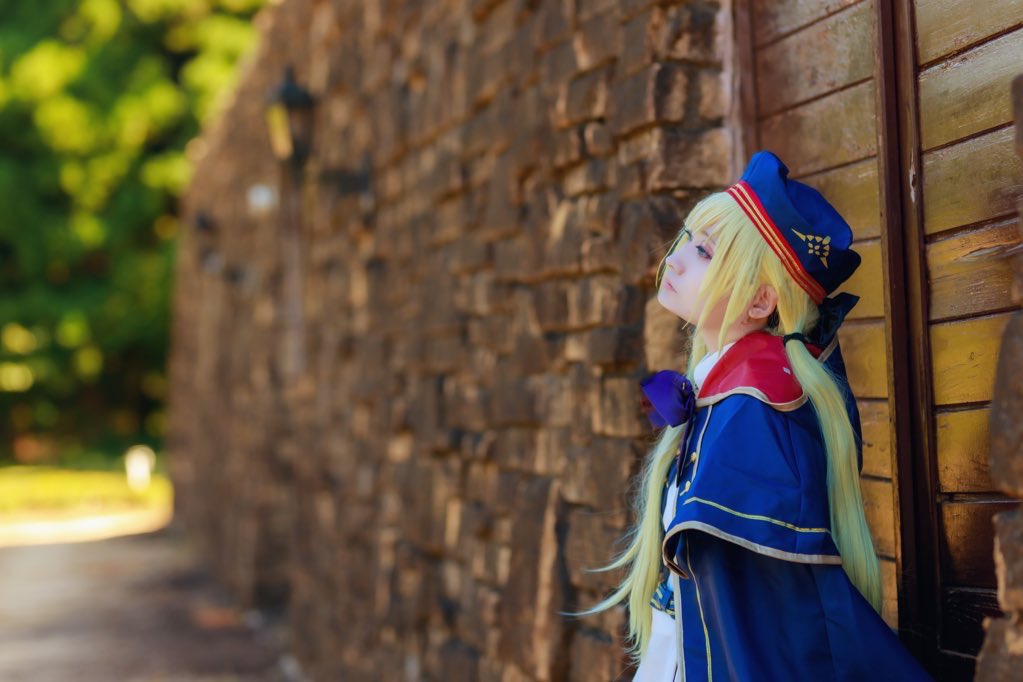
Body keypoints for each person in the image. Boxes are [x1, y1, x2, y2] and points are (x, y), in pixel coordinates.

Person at [579, 151, 932, 680]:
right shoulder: (732, 394)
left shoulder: (755, 413)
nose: (675, 259)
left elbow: (758, 632)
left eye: (703, 251)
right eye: (687, 239)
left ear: (760, 302)